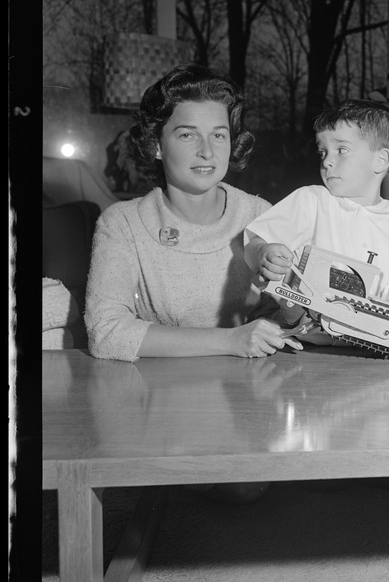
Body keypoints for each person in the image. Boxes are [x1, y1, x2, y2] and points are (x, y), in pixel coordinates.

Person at [85, 63, 303, 501]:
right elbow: (106, 333)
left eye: (218, 134)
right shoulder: (123, 223)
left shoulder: (262, 214)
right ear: (157, 145)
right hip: (162, 396)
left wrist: (292, 300)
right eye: (187, 134)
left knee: (254, 487)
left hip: (254, 394)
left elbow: (296, 315)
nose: (207, 150)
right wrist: (230, 340)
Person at [243, 99, 389, 336]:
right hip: (311, 345)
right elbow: (254, 241)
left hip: (381, 349)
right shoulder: (312, 201)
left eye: (342, 150)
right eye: (323, 151)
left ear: (380, 160)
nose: (327, 161)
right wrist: (263, 253)